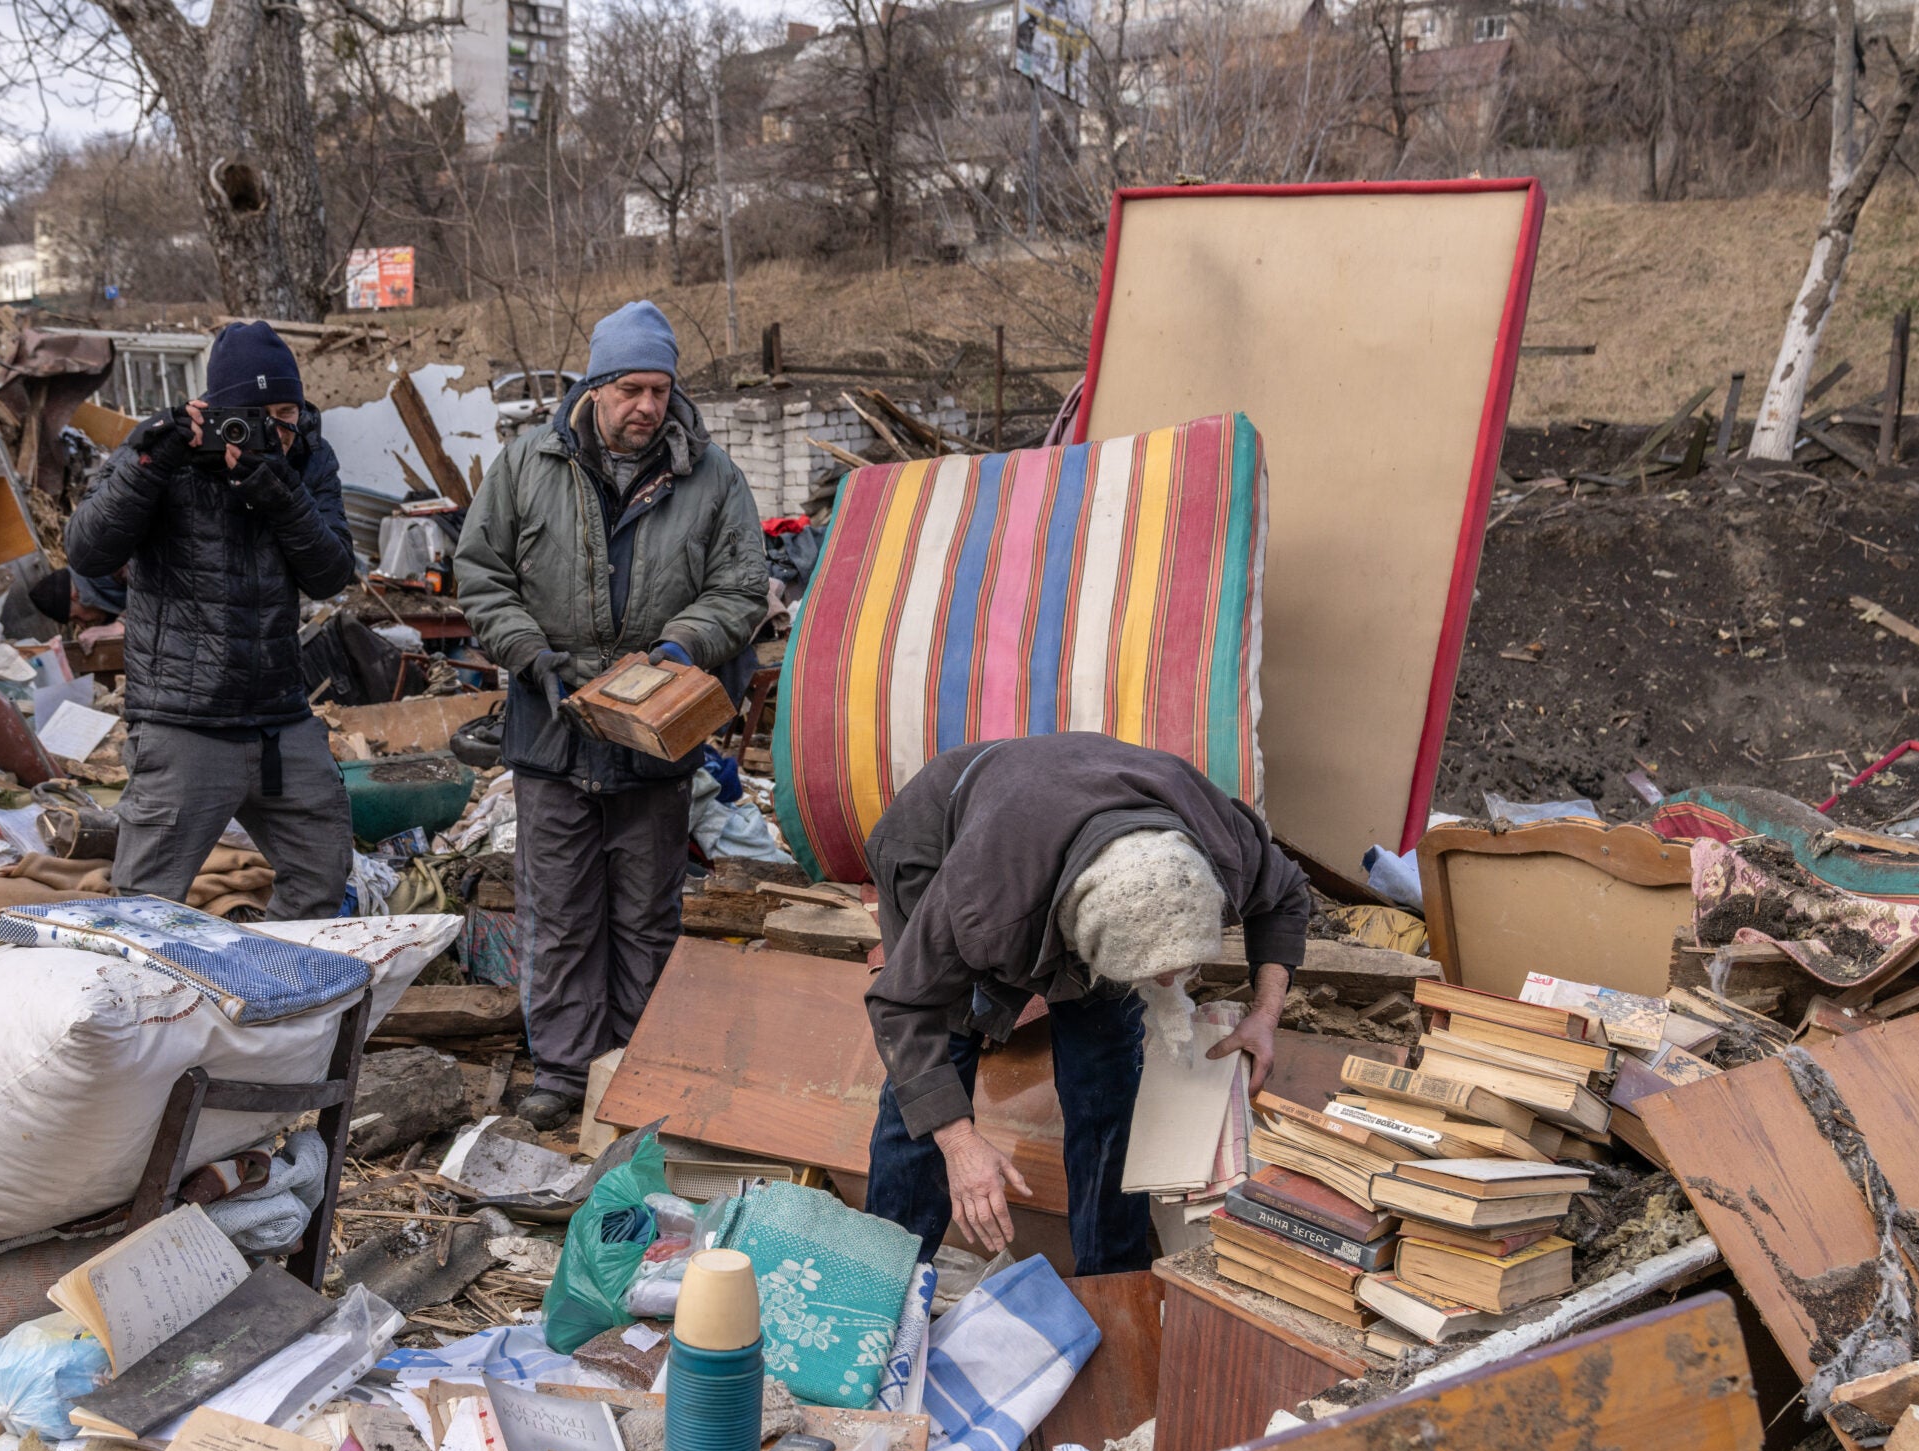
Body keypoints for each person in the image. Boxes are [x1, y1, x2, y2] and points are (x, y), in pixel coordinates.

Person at [455, 301, 767, 1129]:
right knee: (558, 915)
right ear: (595, 387)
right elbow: (481, 573)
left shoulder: (712, 477)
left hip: (654, 739)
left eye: (661, 390)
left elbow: (741, 587)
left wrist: (683, 646)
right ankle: (561, 1074)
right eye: (631, 388)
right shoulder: (528, 465)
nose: (648, 408)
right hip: (551, 729)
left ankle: (635, 1069)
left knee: (645, 916)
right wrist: (527, 649)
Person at [862, 732, 1313, 1273]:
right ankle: (881, 1282)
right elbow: (904, 1008)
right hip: (939, 838)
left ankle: (1110, 1284)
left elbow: (1287, 896)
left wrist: (1265, 1015)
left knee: (1108, 1079)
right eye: (1149, 973)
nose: (1171, 982)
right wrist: (959, 1142)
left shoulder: (1226, 848)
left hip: (1075, 835)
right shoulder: (982, 904)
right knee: (942, 1058)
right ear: (1083, 943)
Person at [62, 320, 358, 920]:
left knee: (322, 877)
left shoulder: (306, 457)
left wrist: (278, 491)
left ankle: (273, 999)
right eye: (257, 414)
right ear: (217, 410)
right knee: (145, 913)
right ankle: (160, 1013)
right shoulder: (160, 452)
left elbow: (330, 574)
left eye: (288, 410)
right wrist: (152, 461)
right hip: (182, 720)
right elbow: (88, 553)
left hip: (280, 718)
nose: (276, 430)